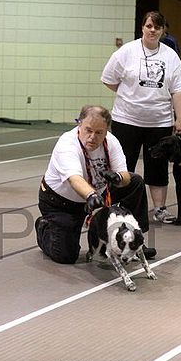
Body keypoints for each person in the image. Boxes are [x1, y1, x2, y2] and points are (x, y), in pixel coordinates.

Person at [35, 105, 156, 264]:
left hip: (99, 192)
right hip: (61, 202)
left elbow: (125, 176)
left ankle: (134, 239)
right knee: (66, 256)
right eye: (88, 130)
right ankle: (44, 226)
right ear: (79, 124)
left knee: (135, 182)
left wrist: (118, 178)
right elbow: (75, 179)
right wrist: (91, 195)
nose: (92, 137)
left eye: (99, 132)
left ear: (106, 130)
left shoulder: (111, 141)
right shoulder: (67, 144)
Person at [101, 11, 181, 224]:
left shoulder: (170, 56)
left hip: (159, 122)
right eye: (149, 26)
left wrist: (180, 118)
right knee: (123, 165)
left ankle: (159, 208)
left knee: (158, 167)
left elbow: (178, 90)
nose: (153, 30)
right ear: (142, 27)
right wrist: (129, 95)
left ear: (162, 31)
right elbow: (108, 79)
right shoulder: (126, 52)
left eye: (157, 27)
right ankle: (119, 206)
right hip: (126, 120)